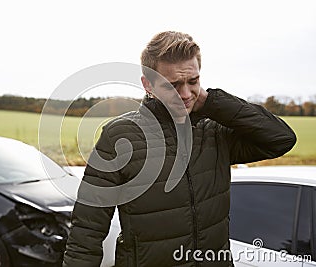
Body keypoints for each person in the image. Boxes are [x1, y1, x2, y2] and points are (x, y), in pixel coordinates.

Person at [63, 31, 296, 267]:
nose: (185, 94)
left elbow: (281, 139)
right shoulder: (120, 136)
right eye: (173, 85)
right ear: (148, 85)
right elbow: (87, 230)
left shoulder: (214, 131)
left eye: (192, 81)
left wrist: (212, 101)